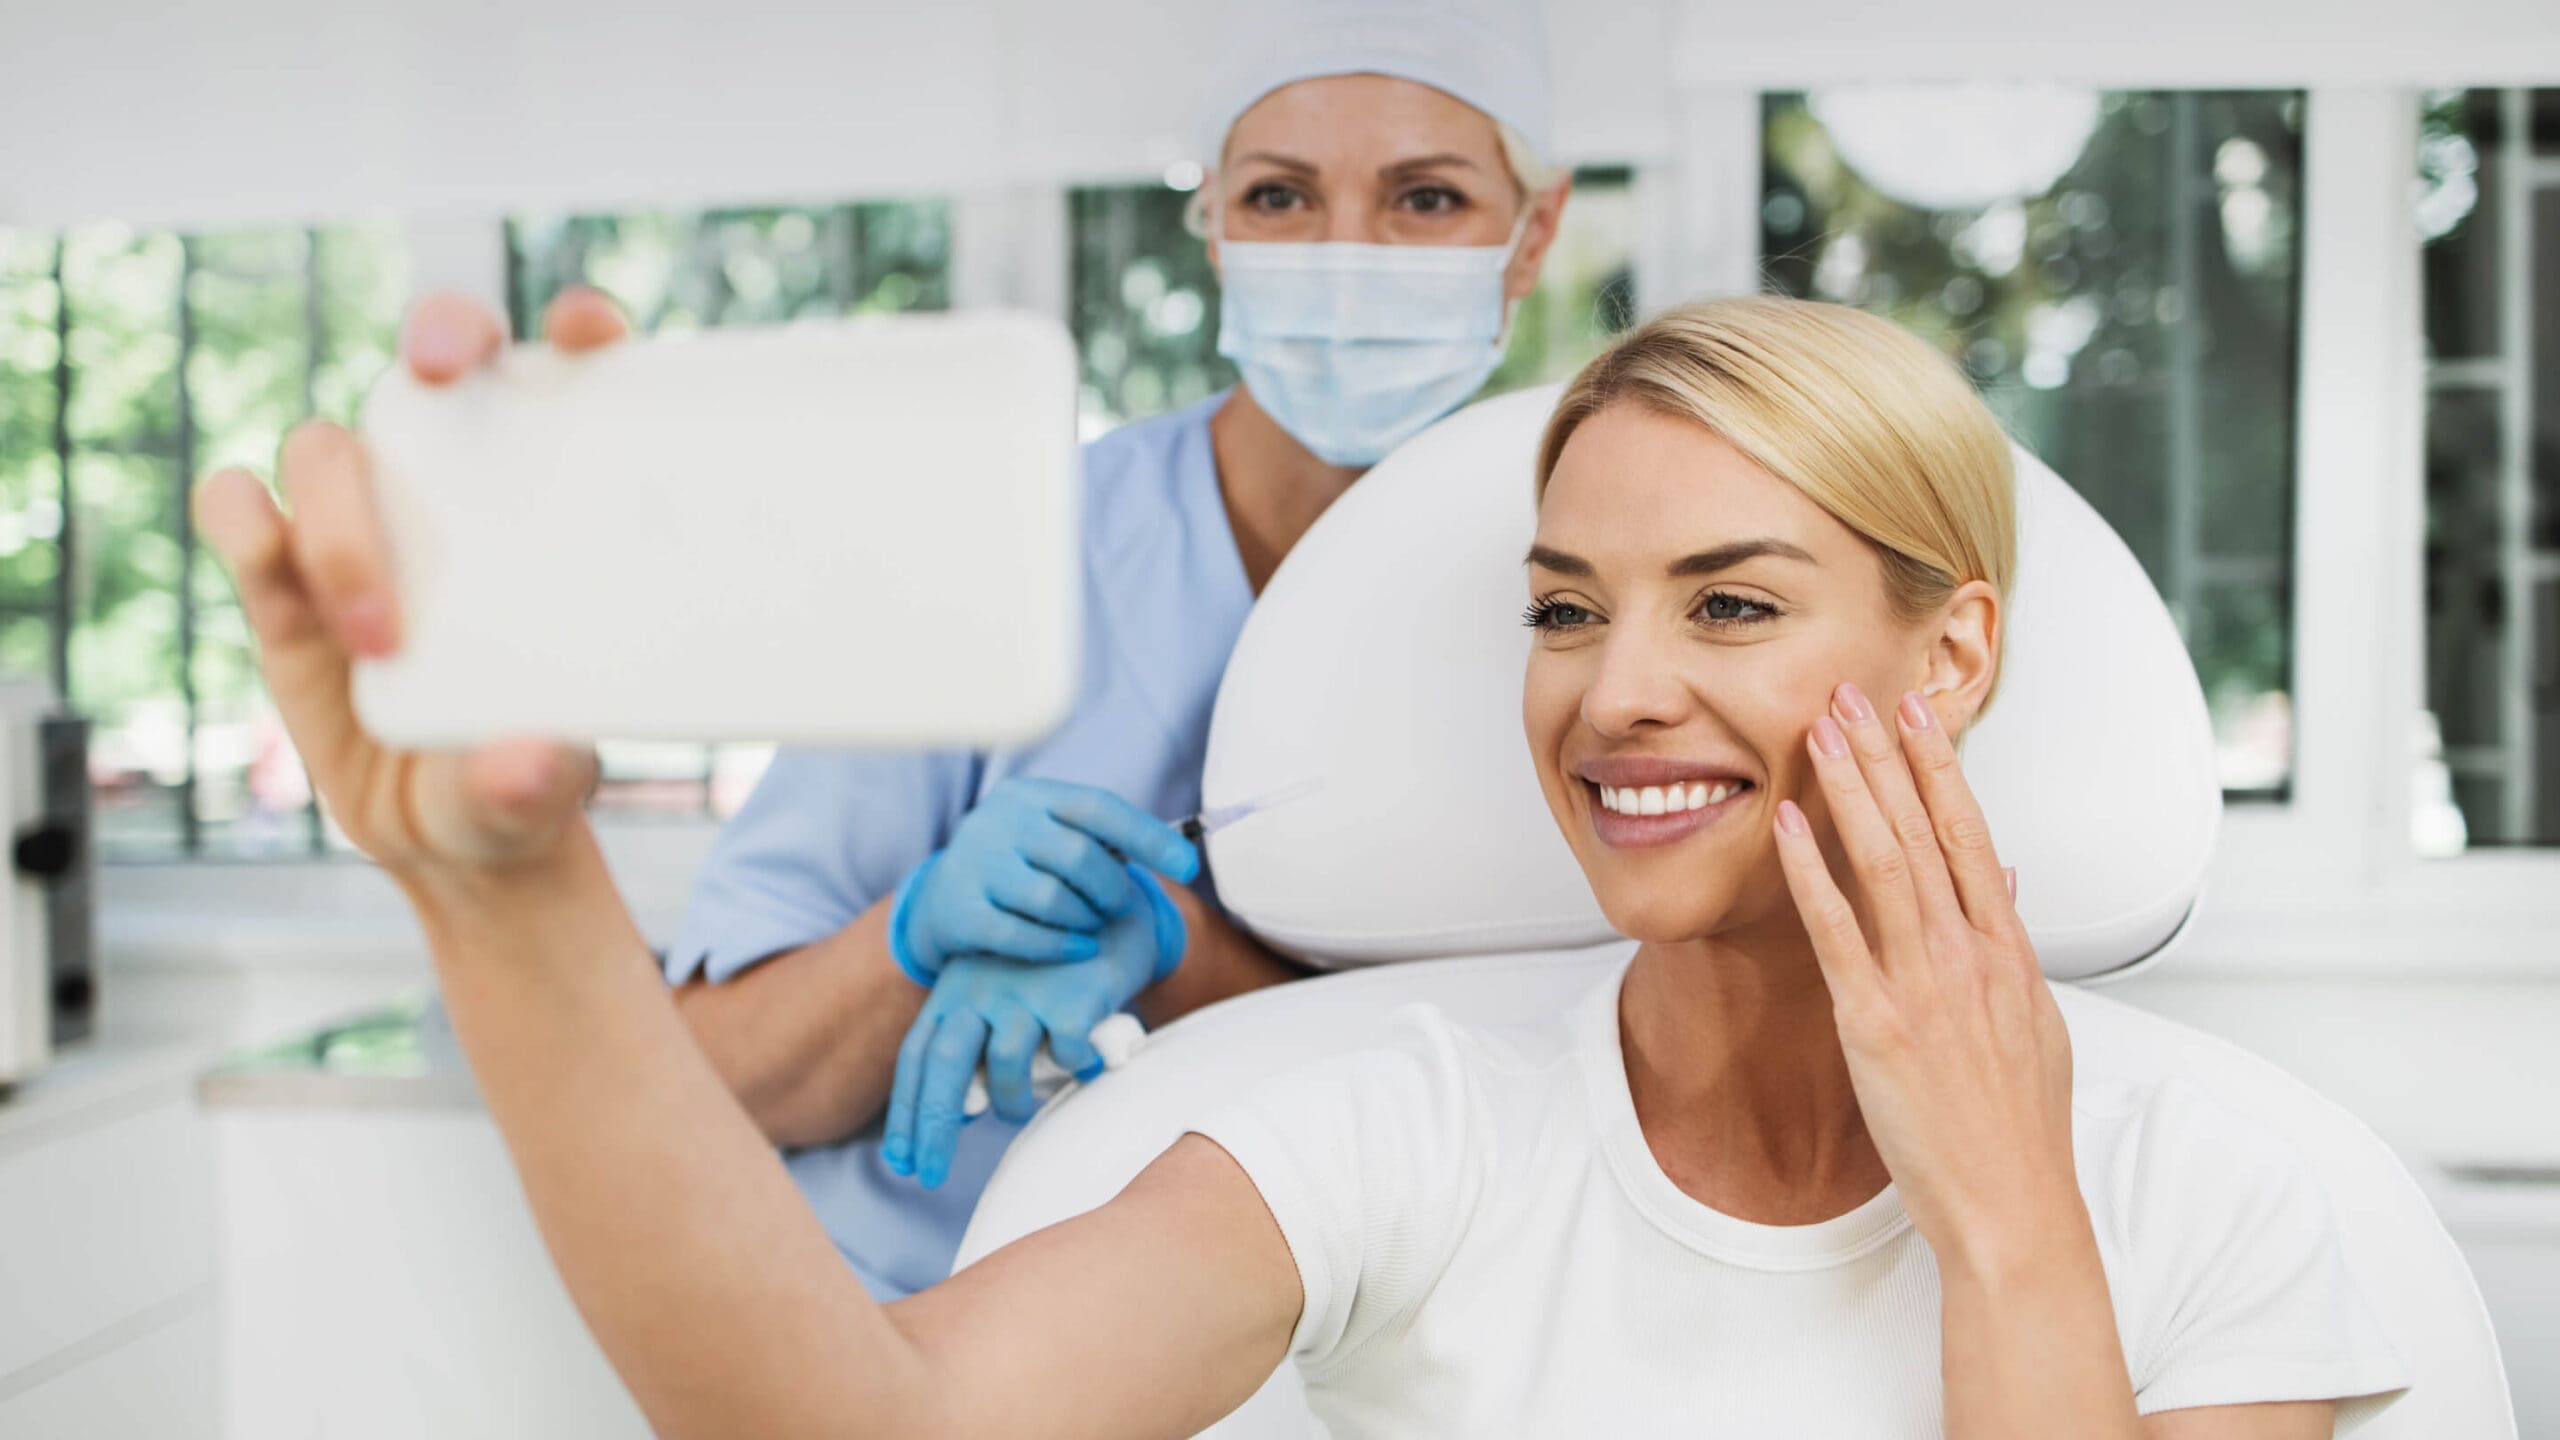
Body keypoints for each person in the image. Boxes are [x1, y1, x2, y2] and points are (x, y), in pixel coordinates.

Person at [199, 293, 2408, 1437]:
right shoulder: (1410, 1125)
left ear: (1951, 666)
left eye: (1728, 605)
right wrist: (504, 900)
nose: (1615, 690)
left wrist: (2007, 1211)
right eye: (1560, 609)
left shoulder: (2208, 1185)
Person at [663, 0, 1574, 1296]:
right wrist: (911, 933)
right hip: (905, 1319)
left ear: (1533, 231)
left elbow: (1578, 1080)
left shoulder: (1587, 593)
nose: (1347, 256)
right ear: (1210, 217)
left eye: (1426, 200)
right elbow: (714, 1082)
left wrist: (1181, 955)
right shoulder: (1002, 550)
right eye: (1279, 197)